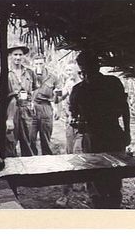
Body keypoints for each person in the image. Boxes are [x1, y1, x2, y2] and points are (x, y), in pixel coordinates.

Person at [69, 50, 131, 209]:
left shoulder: (112, 83)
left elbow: (124, 108)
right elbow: (74, 116)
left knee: (112, 175)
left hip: (111, 134)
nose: (87, 74)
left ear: (97, 66)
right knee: (96, 175)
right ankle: (101, 205)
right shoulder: (79, 89)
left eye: (90, 69)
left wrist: (127, 132)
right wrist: (78, 124)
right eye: (84, 70)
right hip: (93, 137)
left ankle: (111, 206)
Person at [55, 62, 84, 207]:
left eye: (70, 70)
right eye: (66, 70)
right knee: (69, 154)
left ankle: (66, 192)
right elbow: (58, 99)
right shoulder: (68, 83)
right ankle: (72, 184)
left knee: (78, 153)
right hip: (70, 124)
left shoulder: (84, 85)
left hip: (83, 125)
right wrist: (57, 95)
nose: (68, 72)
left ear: (78, 71)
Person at [5, 44, 37, 157]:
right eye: (15, 55)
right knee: (10, 142)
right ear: (10, 56)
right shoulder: (5, 73)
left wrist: (31, 102)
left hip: (26, 110)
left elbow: (34, 90)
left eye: (20, 55)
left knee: (27, 141)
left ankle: (28, 171)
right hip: (11, 110)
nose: (18, 57)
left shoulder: (29, 72)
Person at [30, 54, 61, 155]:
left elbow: (58, 95)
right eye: (36, 64)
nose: (39, 66)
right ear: (33, 64)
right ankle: (31, 164)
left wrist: (57, 109)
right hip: (32, 107)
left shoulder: (52, 77)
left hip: (46, 107)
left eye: (41, 63)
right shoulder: (28, 76)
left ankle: (47, 164)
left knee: (46, 139)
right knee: (30, 138)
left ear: (45, 63)